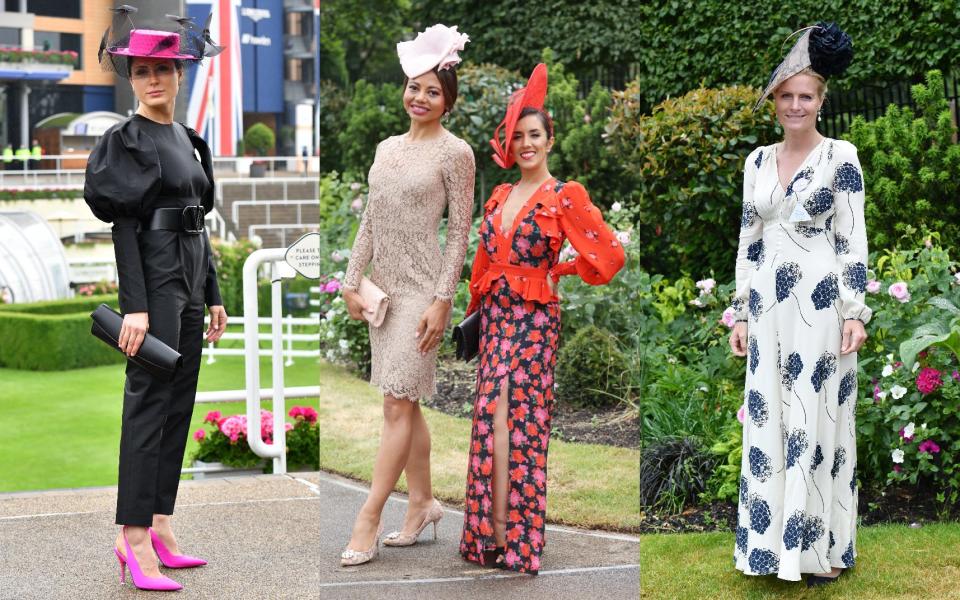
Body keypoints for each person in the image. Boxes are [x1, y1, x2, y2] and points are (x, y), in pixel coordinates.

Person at [459, 63, 625, 574]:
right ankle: (490, 535)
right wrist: (473, 318)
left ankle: (518, 537)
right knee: (491, 420)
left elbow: (610, 255)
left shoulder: (563, 195)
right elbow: (483, 264)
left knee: (520, 420)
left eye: (534, 135)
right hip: (497, 319)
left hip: (534, 322)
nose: (525, 144)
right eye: (518, 136)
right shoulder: (501, 195)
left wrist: (562, 268)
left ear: (549, 140)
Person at [84, 7, 226, 592]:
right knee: (148, 401)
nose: (153, 79)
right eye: (143, 70)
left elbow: (198, 222)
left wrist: (214, 294)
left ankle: (162, 525)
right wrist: (135, 307)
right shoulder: (127, 141)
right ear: (131, 77)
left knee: (179, 401)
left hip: (191, 281)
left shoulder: (187, 141)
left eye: (163, 69)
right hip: (156, 283)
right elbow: (124, 227)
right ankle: (132, 536)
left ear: (179, 73)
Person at [728, 22, 869, 587]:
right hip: (766, 308)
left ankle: (824, 549)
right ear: (775, 101)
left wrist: (856, 310)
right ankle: (768, 551)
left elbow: (852, 237)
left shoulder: (841, 157)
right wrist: (739, 310)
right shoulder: (757, 162)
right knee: (771, 421)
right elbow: (748, 240)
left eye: (804, 95)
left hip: (820, 307)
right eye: (785, 95)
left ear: (820, 100)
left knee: (821, 420)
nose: (794, 104)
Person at [338, 24, 474, 566]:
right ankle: (420, 503)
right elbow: (370, 218)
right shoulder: (387, 148)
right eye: (414, 87)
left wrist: (444, 298)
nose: (420, 98)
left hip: (422, 293)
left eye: (432, 91)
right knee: (405, 404)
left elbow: (461, 230)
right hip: (383, 293)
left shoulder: (455, 152)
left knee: (397, 402)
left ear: (447, 101)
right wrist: (351, 280)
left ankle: (369, 515)